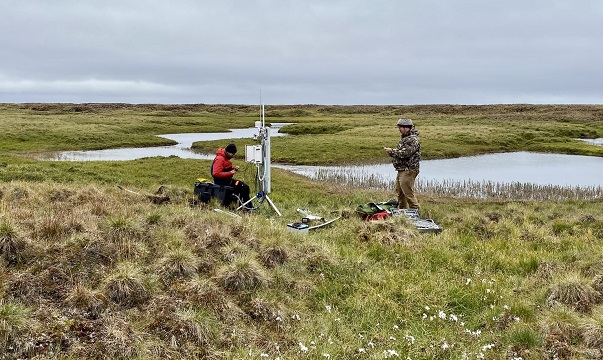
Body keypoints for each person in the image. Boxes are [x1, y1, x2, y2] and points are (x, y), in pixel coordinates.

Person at [383, 118, 421, 210]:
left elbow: (405, 153)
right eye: (399, 127)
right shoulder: (406, 138)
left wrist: (392, 151)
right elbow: (402, 153)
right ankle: (403, 213)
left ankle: (415, 212)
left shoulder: (412, 139)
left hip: (408, 170)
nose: (399, 129)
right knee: (400, 194)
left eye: (400, 127)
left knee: (408, 193)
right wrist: (393, 153)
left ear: (406, 127)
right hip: (402, 170)